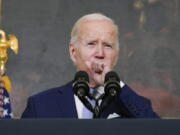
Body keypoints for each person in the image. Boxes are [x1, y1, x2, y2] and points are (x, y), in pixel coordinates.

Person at [22, 13, 159, 118]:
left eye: (108, 45)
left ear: (116, 56)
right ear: (73, 52)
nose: (100, 53)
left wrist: (116, 83)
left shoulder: (133, 103)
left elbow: (157, 130)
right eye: (91, 44)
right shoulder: (40, 105)